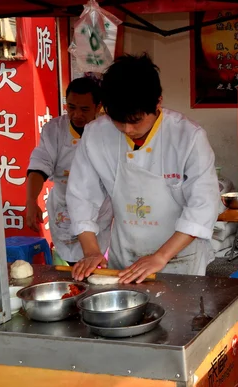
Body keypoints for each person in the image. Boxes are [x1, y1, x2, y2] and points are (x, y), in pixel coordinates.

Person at [66, 53, 219, 284]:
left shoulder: (188, 137)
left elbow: (203, 206)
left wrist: (160, 256)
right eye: (118, 120)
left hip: (179, 260)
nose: (127, 129)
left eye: (136, 120)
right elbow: (81, 196)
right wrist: (91, 251)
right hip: (125, 257)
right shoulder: (96, 135)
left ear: (158, 102)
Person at [26, 77, 113, 265]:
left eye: (84, 109)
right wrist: (31, 200)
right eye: (71, 107)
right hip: (65, 205)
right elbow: (39, 165)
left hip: (100, 207)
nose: (76, 115)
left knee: (96, 261)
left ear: (98, 107)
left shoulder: (109, 130)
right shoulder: (54, 130)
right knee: (75, 261)